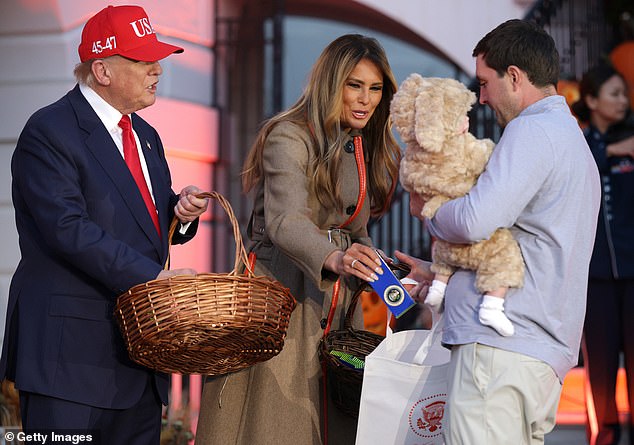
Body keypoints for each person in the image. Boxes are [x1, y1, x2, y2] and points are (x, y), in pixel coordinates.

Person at [0, 5, 209, 444]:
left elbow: (138, 220)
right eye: (143, 60)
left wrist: (178, 213)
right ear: (102, 70)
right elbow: (67, 228)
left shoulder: (146, 135)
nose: (157, 70)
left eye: (157, 59)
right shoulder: (49, 130)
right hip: (68, 364)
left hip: (137, 363)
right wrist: (153, 278)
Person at [395, 19, 601, 444]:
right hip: (535, 350)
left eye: (485, 82)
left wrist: (429, 211)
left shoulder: (531, 130)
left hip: (500, 351)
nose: (482, 97)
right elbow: (531, 243)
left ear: (515, 76)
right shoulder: (569, 137)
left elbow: (475, 220)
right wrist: (440, 275)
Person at [194, 34, 401, 445]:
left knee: (332, 418)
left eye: (375, 88)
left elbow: (353, 227)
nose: (366, 99)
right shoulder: (287, 134)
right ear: (331, 84)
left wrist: (377, 264)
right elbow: (285, 221)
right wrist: (336, 257)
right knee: (275, 420)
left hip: (336, 302)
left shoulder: (360, 141)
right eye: (355, 85)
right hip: (280, 293)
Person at [572, 63, 634, 445]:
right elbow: (570, 170)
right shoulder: (579, 144)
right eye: (615, 94)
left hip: (633, 275)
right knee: (600, 372)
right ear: (592, 100)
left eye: (624, 94)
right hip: (594, 280)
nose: (623, 101)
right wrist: (610, 150)